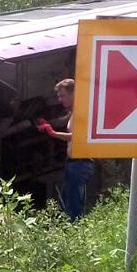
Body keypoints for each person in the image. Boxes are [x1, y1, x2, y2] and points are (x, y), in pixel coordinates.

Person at [37, 78, 94, 220]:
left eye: (63, 95)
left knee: (74, 205)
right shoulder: (74, 112)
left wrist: (53, 133)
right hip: (73, 163)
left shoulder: (82, 112)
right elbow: (63, 121)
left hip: (81, 164)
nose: (60, 99)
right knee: (66, 201)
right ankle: (69, 231)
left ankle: (76, 232)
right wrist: (47, 123)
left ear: (74, 93)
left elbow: (77, 137)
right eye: (58, 96)